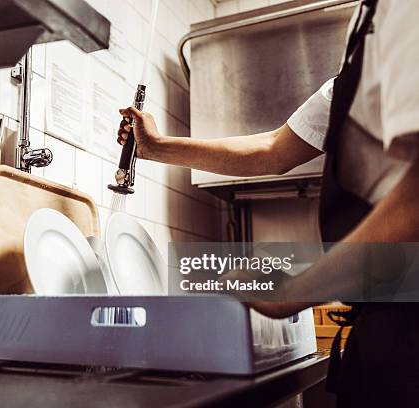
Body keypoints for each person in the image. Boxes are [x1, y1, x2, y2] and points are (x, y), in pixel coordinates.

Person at [117, 1, 419, 406]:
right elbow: (272, 149)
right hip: (382, 324)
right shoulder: (363, 36)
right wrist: (156, 148)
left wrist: (291, 291)